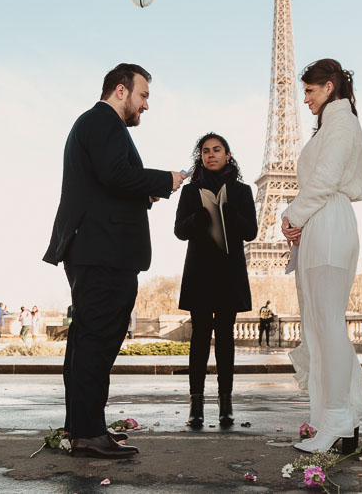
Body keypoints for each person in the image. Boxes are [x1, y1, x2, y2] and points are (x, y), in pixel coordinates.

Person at [43, 63, 184, 459]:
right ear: (121, 91)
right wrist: (164, 180)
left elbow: (108, 182)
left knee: (86, 341)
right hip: (103, 251)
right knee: (98, 342)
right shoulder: (105, 122)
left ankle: (83, 426)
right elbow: (114, 172)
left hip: (92, 248)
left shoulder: (91, 124)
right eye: (143, 96)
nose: (145, 106)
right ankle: (87, 432)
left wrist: (142, 195)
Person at [280, 58, 362, 455]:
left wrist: (292, 215)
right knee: (321, 325)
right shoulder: (334, 123)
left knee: (327, 324)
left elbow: (326, 178)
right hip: (322, 224)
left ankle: (337, 422)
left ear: (329, 87)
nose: (305, 99)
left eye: (310, 90)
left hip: (328, 222)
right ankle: (339, 421)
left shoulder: (341, 122)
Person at [175, 133, 257, 429]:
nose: (211, 155)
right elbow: (179, 232)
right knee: (198, 339)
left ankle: (226, 403)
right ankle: (195, 404)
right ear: (201, 156)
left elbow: (251, 233)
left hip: (228, 273)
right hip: (200, 272)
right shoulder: (189, 191)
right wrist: (196, 218)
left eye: (216, 150)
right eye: (206, 151)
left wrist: (232, 216)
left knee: (225, 339)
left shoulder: (243, 191)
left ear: (227, 154)